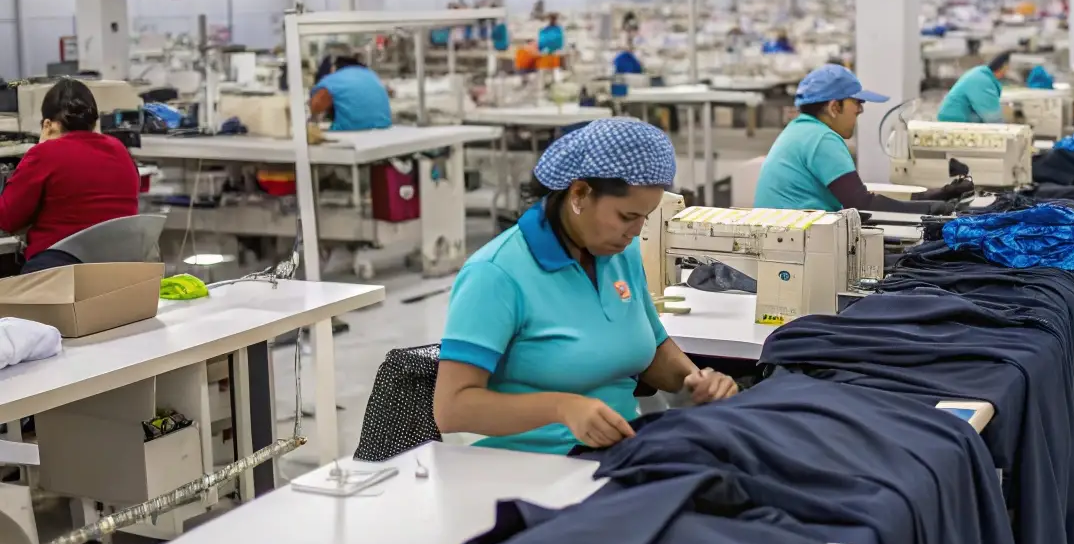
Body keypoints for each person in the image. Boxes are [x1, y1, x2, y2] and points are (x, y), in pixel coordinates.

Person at [434, 120, 737, 452]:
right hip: (531, 467)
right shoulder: (495, 274)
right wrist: (563, 409)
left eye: (645, 217)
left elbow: (651, 346)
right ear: (578, 193)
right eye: (626, 216)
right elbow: (452, 408)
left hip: (619, 453)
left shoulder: (621, 253)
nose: (636, 231)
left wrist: (697, 382)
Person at [755, 65, 961, 214]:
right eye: (857, 102)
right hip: (800, 245)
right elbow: (862, 204)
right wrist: (934, 209)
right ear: (834, 107)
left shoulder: (802, 130)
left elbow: (857, 196)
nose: (861, 110)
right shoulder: (821, 139)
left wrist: (936, 195)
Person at [0, 79, 140, 274]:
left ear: (47, 125)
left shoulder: (44, 154)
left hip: (59, 274)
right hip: (119, 272)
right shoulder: (120, 150)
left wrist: (38, 150)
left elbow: (7, 219)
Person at [310, 49, 392, 131]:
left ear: (333, 67)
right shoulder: (372, 75)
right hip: (383, 130)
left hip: (350, 132)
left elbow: (315, 107)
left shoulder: (332, 79)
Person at [937, 52, 1010, 123]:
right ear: (1004, 67)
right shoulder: (982, 80)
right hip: (954, 119)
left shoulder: (981, 74)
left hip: (954, 115)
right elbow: (992, 118)